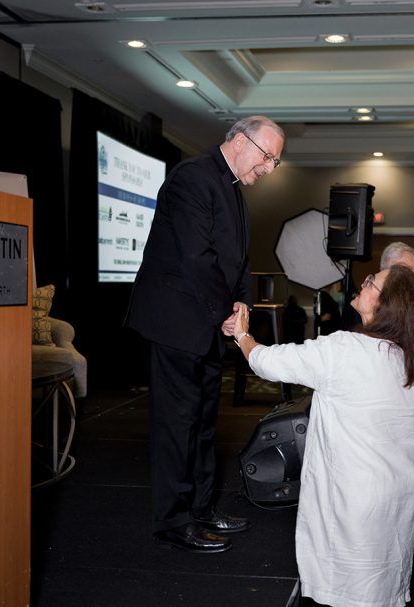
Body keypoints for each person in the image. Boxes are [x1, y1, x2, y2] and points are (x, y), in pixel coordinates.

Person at [230, 265, 414, 607]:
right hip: (402, 495)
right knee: (384, 586)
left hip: (354, 498)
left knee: (346, 588)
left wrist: (242, 335)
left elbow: (268, 361)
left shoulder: (346, 349)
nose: (363, 282)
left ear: (385, 303)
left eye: (372, 282)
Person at [126, 115, 285, 553]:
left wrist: (242, 305)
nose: (269, 169)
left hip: (208, 325)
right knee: (177, 426)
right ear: (238, 141)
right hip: (176, 324)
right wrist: (226, 315)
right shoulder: (192, 178)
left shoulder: (231, 187)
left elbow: (236, 260)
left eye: (275, 162)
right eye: (267, 157)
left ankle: (199, 508)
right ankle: (173, 521)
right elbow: (198, 258)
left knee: (201, 426)